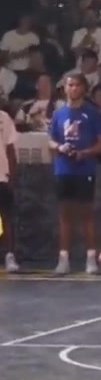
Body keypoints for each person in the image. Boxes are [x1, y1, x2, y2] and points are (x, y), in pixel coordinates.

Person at [48, 71, 101, 275]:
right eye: (70, 85)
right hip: (63, 169)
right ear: (65, 88)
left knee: (87, 214)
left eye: (77, 85)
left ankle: (91, 259)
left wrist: (85, 153)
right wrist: (60, 147)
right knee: (65, 214)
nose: (73, 88)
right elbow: (51, 140)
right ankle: (63, 259)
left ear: (83, 88)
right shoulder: (58, 114)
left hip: (85, 169)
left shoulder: (92, 113)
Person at [0, 109, 19, 272]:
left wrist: (12, 176)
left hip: (2, 175)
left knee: (6, 217)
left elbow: (10, 149)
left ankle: (9, 255)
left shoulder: (4, 118)